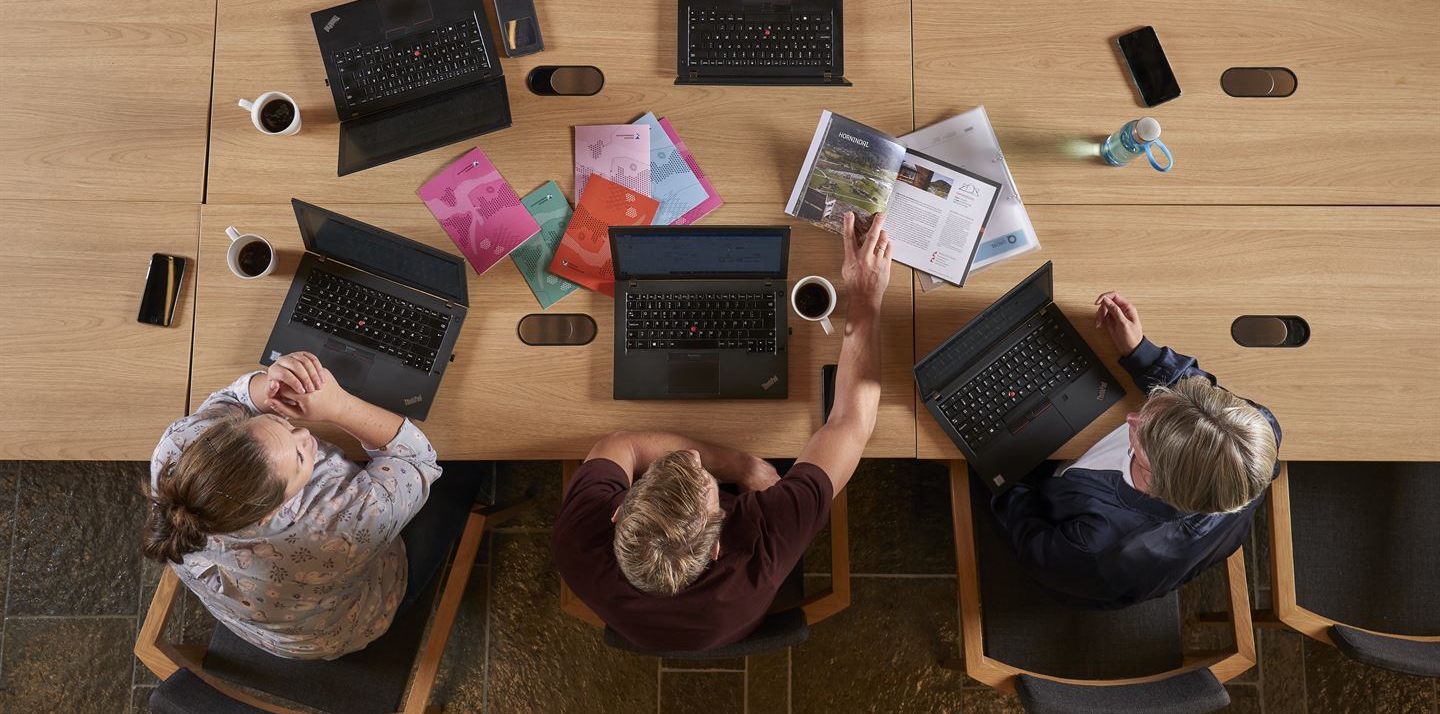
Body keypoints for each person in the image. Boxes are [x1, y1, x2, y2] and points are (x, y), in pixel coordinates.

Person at [551, 212, 892, 650]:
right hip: (730, 620)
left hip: (676, 625)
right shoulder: (766, 548)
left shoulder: (575, 540)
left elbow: (621, 445)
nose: (694, 458)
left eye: (676, 468)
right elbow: (852, 421)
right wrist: (866, 294)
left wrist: (736, 465)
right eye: (707, 482)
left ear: (618, 513)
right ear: (716, 545)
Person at [142, 352, 487, 660]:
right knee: (468, 460)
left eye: (280, 423)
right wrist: (338, 407)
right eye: (298, 455)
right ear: (271, 511)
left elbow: (234, 398)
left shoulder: (177, 451)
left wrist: (274, 384)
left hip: (262, 622)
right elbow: (417, 461)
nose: (305, 435)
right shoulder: (341, 532)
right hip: (348, 622)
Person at [989, 291, 1281, 609]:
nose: (1132, 417)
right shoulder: (1254, 434)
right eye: (1158, 403)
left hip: (1067, 564)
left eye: (1143, 435)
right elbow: (1196, 392)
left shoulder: (1097, 547)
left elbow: (1031, 540)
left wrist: (1004, 461)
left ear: (1157, 478)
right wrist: (1141, 352)